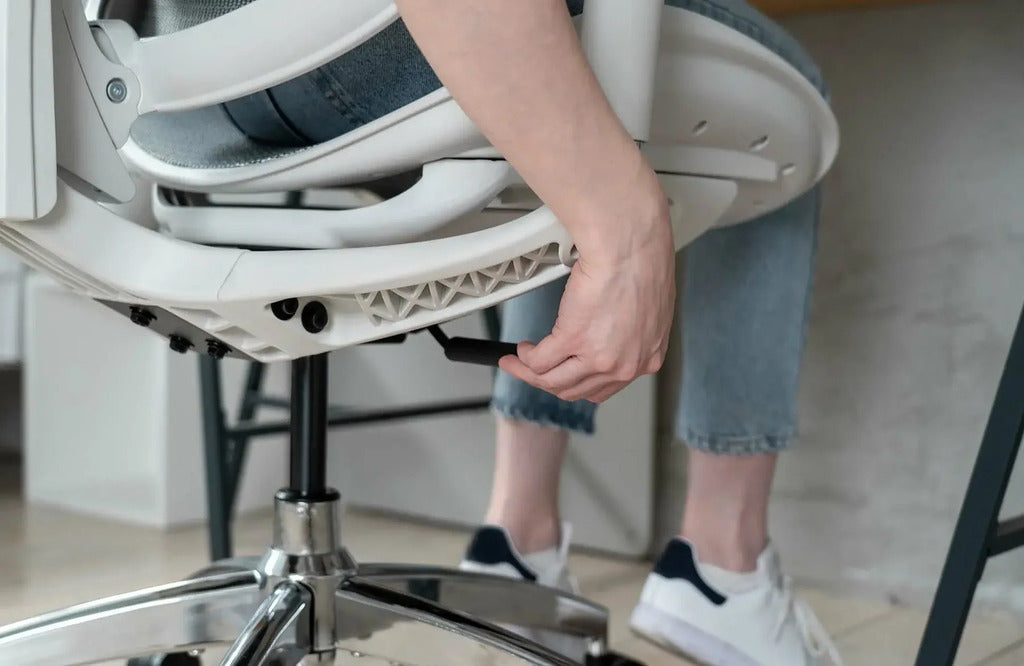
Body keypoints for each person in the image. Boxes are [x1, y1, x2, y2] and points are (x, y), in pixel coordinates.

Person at [146, 0, 841, 662]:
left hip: (173, 88)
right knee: (791, 118)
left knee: (555, 125)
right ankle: (725, 562)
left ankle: (520, 537)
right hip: (352, 51)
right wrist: (625, 230)